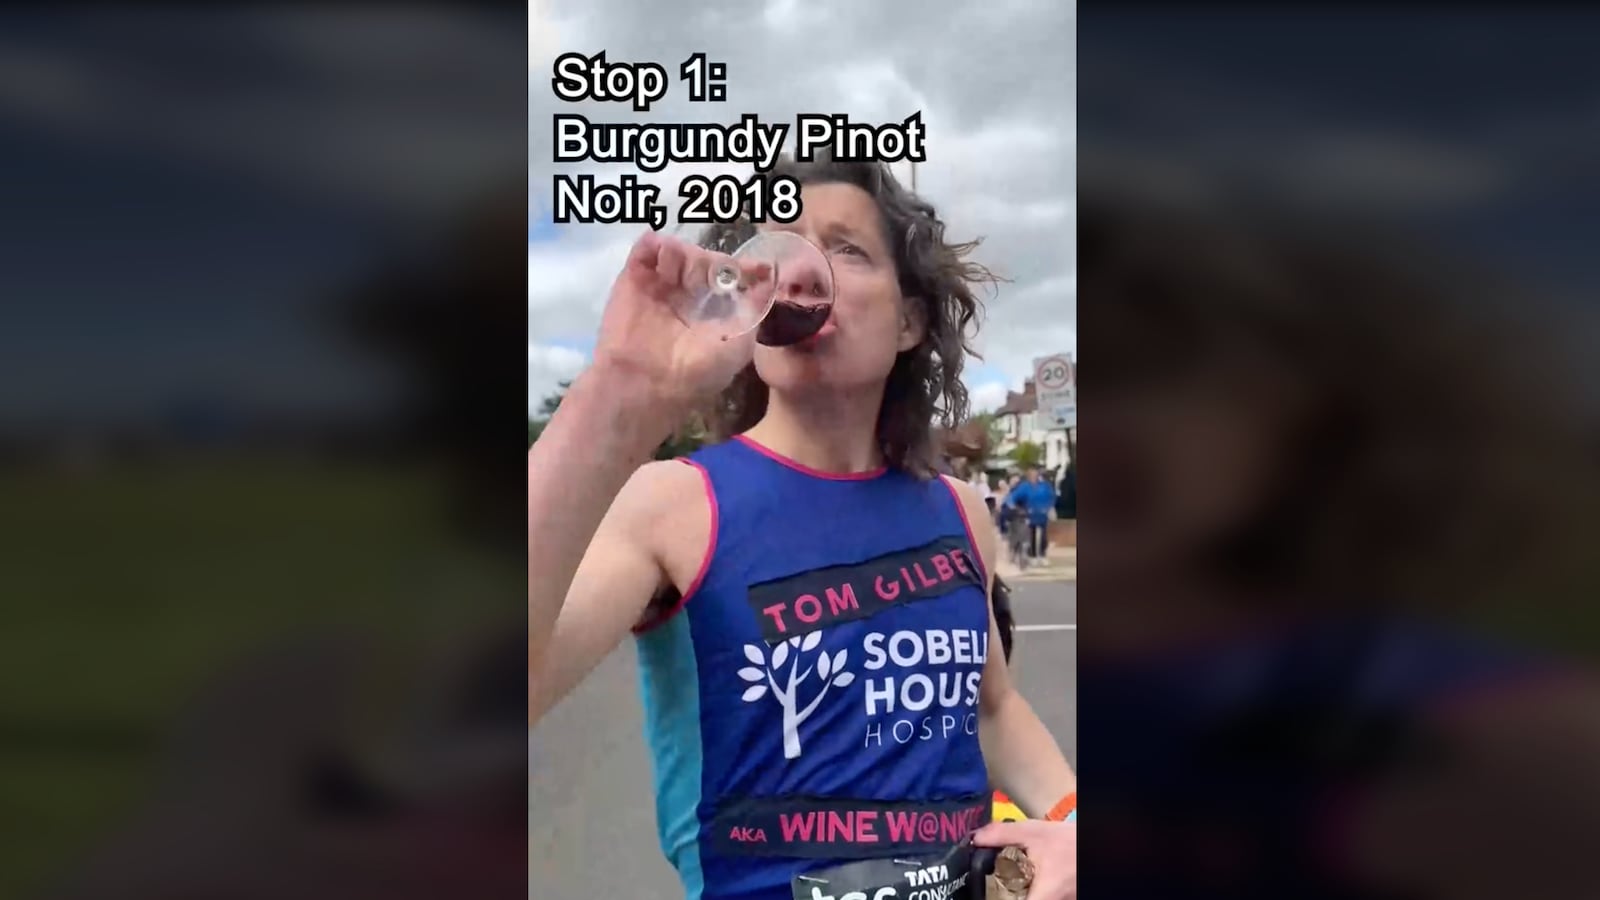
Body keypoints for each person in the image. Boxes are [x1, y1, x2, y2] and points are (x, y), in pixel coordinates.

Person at [529, 154, 1076, 900]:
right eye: (774, 245)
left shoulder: (961, 511)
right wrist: (617, 397)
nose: (800, 269)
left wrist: (1072, 824)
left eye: (845, 248)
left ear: (911, 320)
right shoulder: (672, 505)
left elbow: (994, 708)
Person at [1006, 467, 1057, 560]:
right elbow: (1013, 496)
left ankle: (1042, 554)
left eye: (1035, 475)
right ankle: (1032, 555)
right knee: (1031, 535)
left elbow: (1052, 497)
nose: (1034, 477)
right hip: (1030, 513)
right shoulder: (1025, 486)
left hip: (1042, 513)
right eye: (1032, 475)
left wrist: (1049, 507)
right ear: (1028, 476)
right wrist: (1012, 505)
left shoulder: (1044, 486)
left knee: (1043, 535)